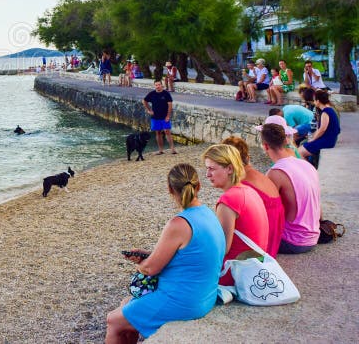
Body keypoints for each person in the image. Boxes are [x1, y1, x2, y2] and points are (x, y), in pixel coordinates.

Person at [105, 164, 225, 343]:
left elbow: (150, 269)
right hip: (205, 295)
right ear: (198, 186)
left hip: (183, 301)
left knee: (113, 320)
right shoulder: (207, 214)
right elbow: (188, 255)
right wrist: (149, 254)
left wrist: (142, 263)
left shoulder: (178, 224)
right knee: (125, 303)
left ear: (170, 189)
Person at [202, 144, 269, 285]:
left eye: (211, 169)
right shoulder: (249, 190)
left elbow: (223, 249)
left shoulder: (228, 200)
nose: (207, 175)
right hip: (254, 265)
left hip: (233, 272)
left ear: (229, 169)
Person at [262, 123, 321, 254]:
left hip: (293, 241)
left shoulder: (275, 172)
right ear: (285, 141)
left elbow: (265, 211)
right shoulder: (306, 165)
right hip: (314, 235)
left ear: (265, 146)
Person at [222, 136, 284, 257]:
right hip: (271, 246)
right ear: (247, 157)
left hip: (256, 253)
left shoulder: (241, 188)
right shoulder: (262, 177)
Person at [299, 89, 341, 169]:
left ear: (318, 101)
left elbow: (322, 129)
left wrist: (313, 139)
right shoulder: (330, 110)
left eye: (314, 100)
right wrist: (312, 137)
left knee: (298, 153)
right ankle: (309, 168)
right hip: (328, 140)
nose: (314, 102)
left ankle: (309, 170)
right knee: (301, 149)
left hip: (326, 141)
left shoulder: (325, 112)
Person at [143, 80, 176, 155]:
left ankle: (172, 149)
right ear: (154, 86)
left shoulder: (166, 94)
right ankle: (161, 150)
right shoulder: (152, 94)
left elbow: (170, 105)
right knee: (158, 133)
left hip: (164, 116)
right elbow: (144, 101)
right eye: (156, 85)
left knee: (167, 132)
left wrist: (168, 116)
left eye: (159, 85)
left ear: (162, 85)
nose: (157, 86)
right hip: (155, 117)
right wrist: (149, 110)